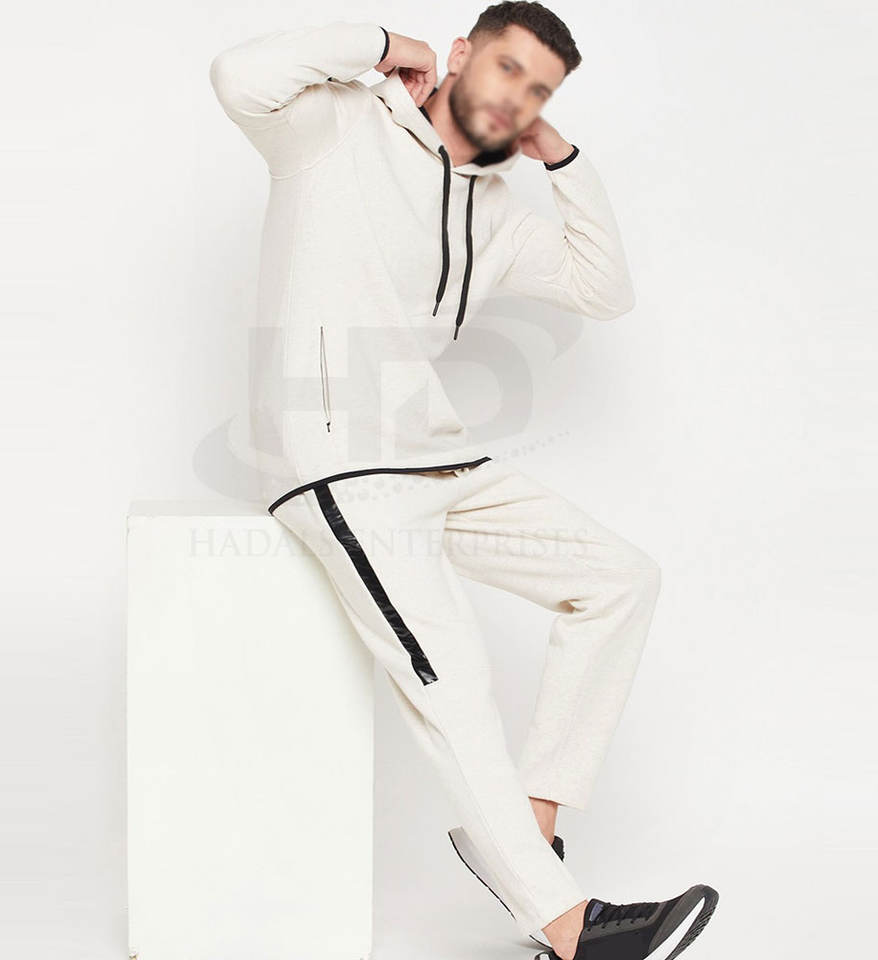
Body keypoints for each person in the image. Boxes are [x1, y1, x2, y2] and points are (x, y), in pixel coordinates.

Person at [209, 3, 717, 958]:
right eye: (508, 68)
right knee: (453, 674)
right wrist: (387, 48)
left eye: (540, 90)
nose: (518, 97)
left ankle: (529, 828)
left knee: (620, 580)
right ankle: (569, 927)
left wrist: (559, 156)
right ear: (460, 54)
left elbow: (603, 289)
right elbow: (239, 76)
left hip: (436, 456)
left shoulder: (497, 215)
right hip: (338, 460)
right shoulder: (335, 127)